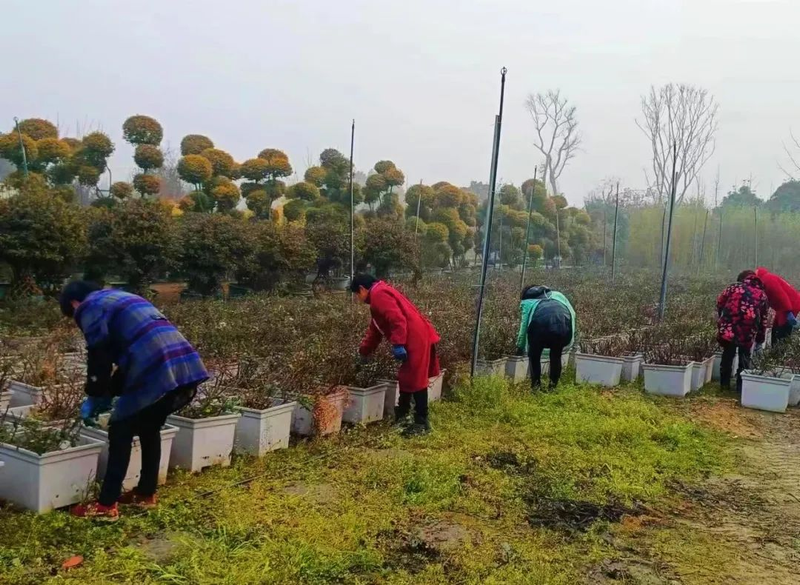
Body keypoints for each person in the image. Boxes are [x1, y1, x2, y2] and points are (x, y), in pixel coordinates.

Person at [59, 282, 209, 521]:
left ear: (73, 303)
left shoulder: (89, 306)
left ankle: (106, 506)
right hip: (182, 361)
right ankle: (145, 494)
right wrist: (107, 392)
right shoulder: (121, 297)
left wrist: (95, 394)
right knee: (150, 426)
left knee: (120, 428)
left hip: (155, 367)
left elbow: (99, 355)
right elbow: (129, 351)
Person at [351, 274, 440, 437]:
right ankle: (403, 415)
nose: (358, 298)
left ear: (362, 289)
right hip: (412, 336)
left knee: (416, 378)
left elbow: (397, 320)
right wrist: (364, 351)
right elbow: (375, 330)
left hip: (414, 337)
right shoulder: (378, 296)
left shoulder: (379, 295)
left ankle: (422, 422)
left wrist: (398, 344)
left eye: (357, 294)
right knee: (407, 377)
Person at [716, 270, 769, 392]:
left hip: (729, 327)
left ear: (742, 279)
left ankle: (724, 385)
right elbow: (763, 319)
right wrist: (760, 337)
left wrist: (722, 317)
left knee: (727, 355)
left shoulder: (733, 287)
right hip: (748, 330)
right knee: (744, 357)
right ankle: (741, 386)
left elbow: (720, 302)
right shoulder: (762, 295)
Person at [515, 285, 576, 390]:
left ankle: (536, 387)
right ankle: (553, 387)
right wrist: (572, 333)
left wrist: (520, 346)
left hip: (539, 327)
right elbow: (572, 313)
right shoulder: (558, 295)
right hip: (561, 325)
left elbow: (524, 325)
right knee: (556, 356)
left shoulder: (527, 302)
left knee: (534, 355)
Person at [755, 267, 800, 344]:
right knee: (776, 327)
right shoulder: (768, 278)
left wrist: (788, 312)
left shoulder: (768, 280)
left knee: (782, 329)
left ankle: (780, 351)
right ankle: (776, 349)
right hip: (784, 306)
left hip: (789, 305)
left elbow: (781, 296)